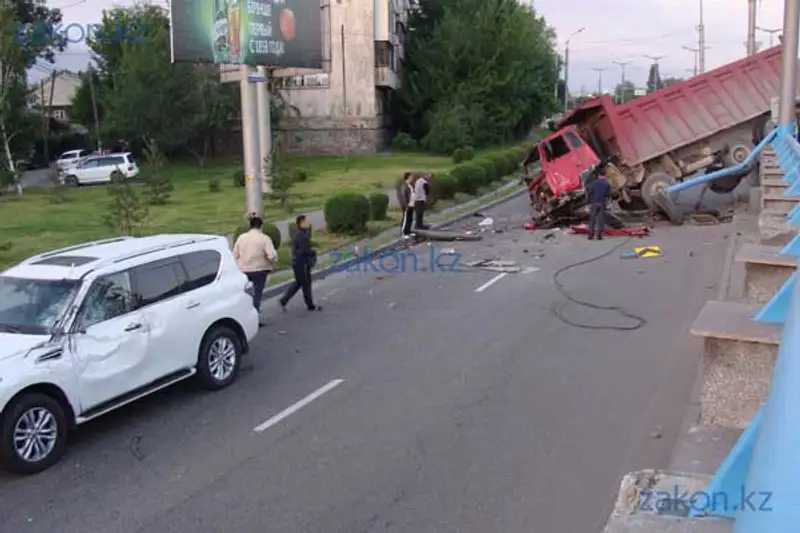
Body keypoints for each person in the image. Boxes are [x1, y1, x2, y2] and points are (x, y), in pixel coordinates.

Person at [232, 215, 278, 320]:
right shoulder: (264, 238)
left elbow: (234, 255)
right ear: (261, 226)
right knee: (257, 295)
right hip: (259, 270)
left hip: (243, 270)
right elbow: (271, 255)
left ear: (250, 226)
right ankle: (254, 318)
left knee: (246, 294)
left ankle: (243, 317)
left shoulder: (241, 237)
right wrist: (273, 263)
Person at [279, 215, 322, 312]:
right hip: (301, 263)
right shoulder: (302, 236)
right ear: (301, 223)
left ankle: (284, 300)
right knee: (306, 284)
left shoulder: (300, 234)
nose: (309, 223)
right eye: (306, 221)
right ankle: (310, 306)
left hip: (298, 262)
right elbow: (304, 250)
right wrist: (313, 252)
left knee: (299, 282)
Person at [586, 163, 612, 240]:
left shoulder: (593, 183)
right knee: (600, 220)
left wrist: (588, 202)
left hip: (594, 203)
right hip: (602, 203)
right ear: (605, 175)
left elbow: (588, 192)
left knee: (592, 219)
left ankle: (590, 235)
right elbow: (609, 194)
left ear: (598, 175)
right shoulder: (607, 184)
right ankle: (599, 236)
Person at [400, 172, 416, 238]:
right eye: (411, 177)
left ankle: (408, 231)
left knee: (410, 219)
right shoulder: (404, 186)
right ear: (408, 177)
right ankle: (404, 233)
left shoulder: (410, 185)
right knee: (405, 219)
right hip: (407, 206)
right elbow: (403, 197)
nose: (412, 178)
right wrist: (406, 205)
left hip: (411, 205)